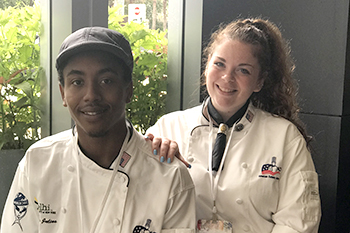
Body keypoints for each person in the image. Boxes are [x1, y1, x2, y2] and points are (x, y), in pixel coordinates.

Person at [1, 27, 196, 233]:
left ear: (128, 90)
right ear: (63, 93)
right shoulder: (38, 162)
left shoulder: (169, 175)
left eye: (106, 81)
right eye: (77, 82)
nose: (91, 95)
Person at [147, 18, 321, 233]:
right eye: (219, 64)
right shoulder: (167, 128)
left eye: (243, 70)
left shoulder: (285, 137)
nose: (227, 78)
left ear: (260, 81)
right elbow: (142, 207)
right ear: (207, 65)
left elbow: (298, 222)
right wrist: (150, 156)